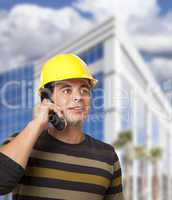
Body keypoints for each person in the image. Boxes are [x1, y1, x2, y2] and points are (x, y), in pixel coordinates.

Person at [0, 54, 124, 199]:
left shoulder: (108, 156)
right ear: (46, 98)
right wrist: (36, 124)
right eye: (67, 90)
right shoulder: (23, 142)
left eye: (84, 90)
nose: (78, 97)